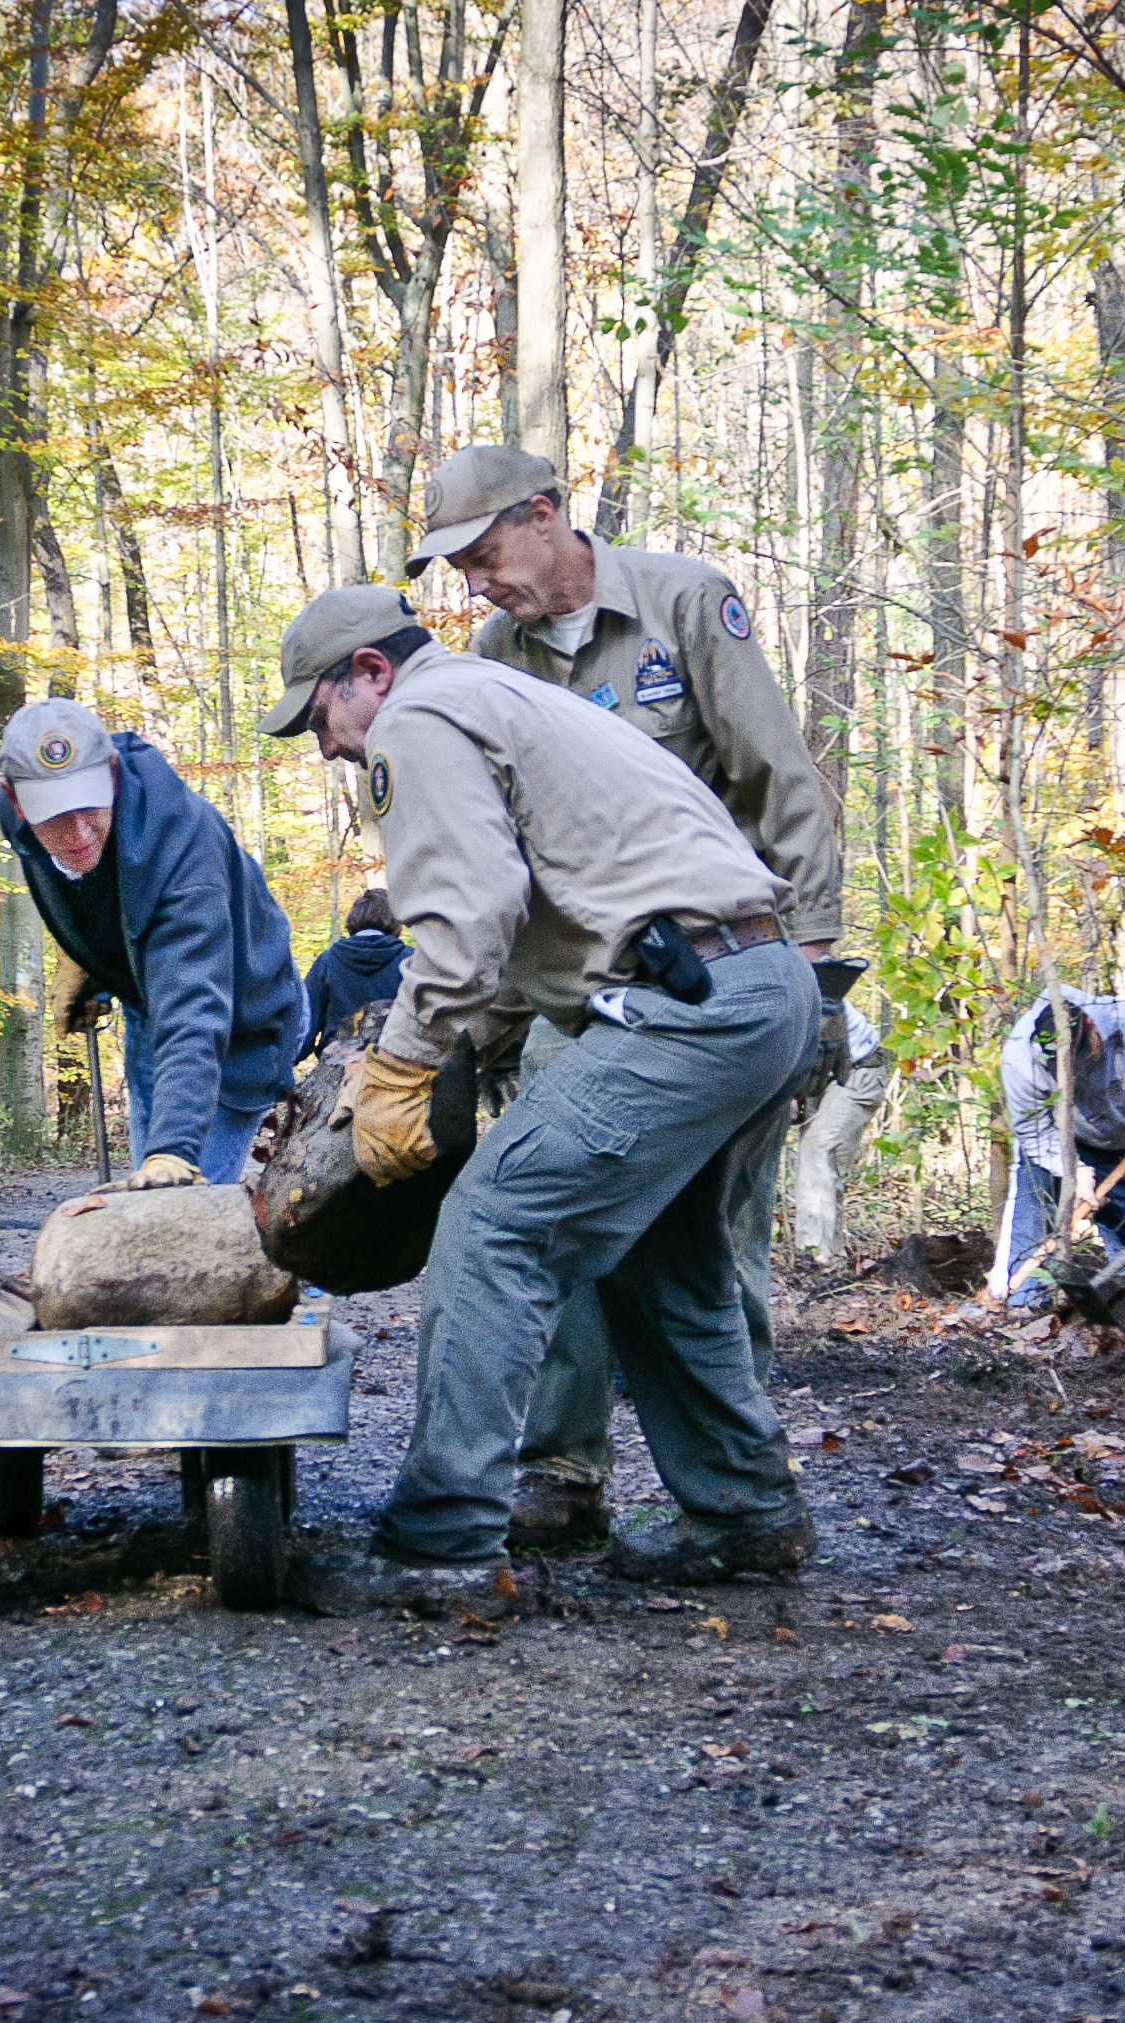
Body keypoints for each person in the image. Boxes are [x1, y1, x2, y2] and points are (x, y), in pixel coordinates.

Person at [258, 585, 823, 1613]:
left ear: (370, 675)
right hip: (761, 987)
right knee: (660, 1260)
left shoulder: (422, 718)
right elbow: (527, 928)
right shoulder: (502, 697)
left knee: (495, 1220)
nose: (327, 749)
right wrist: (461, 1046)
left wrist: (400, 1063)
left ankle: (441, 1543)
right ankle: (743, 1513)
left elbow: (466, 918)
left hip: (690, 1006)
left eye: (321, 719)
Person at [412, 443, 847, 1548]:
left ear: (546, 515)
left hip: (714, 978)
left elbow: (779, 784)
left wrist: (814, 971)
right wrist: (485, 1031)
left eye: (483, 552)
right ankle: (559, 1470)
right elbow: (501, 868)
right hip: (584, 996)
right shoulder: (493, 656)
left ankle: (736, 1487)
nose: (474, 582)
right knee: (548, 1215)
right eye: (456, 568)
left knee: (706, 1240)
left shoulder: (682, 604)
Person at [0, 699, 306, 1187]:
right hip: (150, 1004)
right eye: (54, 815)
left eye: (87, 806)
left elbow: (194, 1012)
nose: (76, 834)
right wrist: (84, 962)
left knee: (179, 1198)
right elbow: (92, 889)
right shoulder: (17, 818)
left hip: (247, 1020)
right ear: (17, 802)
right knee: (148, 1186)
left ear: (113, 775)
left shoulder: (183, 849)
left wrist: (174, 1150)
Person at [998, 989, 1125, 1306]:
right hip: (1057, 1140)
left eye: (1079, 1065)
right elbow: (1031, 1127)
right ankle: (1025, 1314)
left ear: (1092, 1031)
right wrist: (1073, 1170)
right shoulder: (1019, 1058)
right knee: (1034, 1225)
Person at [789, 999, 890, 1268]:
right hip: (829, 1073)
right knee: (823, 1165)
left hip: (859, 1070)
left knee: (817, 1150)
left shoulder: (799, 985)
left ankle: (816, 1254)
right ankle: (830, 1255)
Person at [303, 888, 411, 1061]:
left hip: (337, 1073)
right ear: (395, 920)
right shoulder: (410, 962)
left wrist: (278, 1074)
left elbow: (304, 1027)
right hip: (394, 1074)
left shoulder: (327, 962)